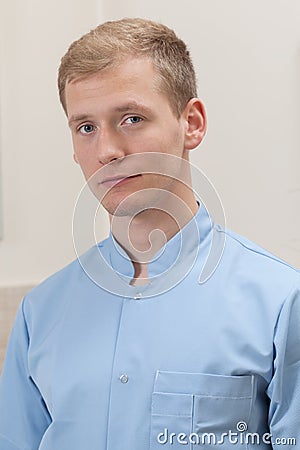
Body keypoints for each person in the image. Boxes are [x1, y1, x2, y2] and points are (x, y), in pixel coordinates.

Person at [0, 17, 299, 450]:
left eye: (132, 118)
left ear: (191, 123)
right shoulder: (38, 315)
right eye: (86, 127)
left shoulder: (281, 304)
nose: (106, 151)